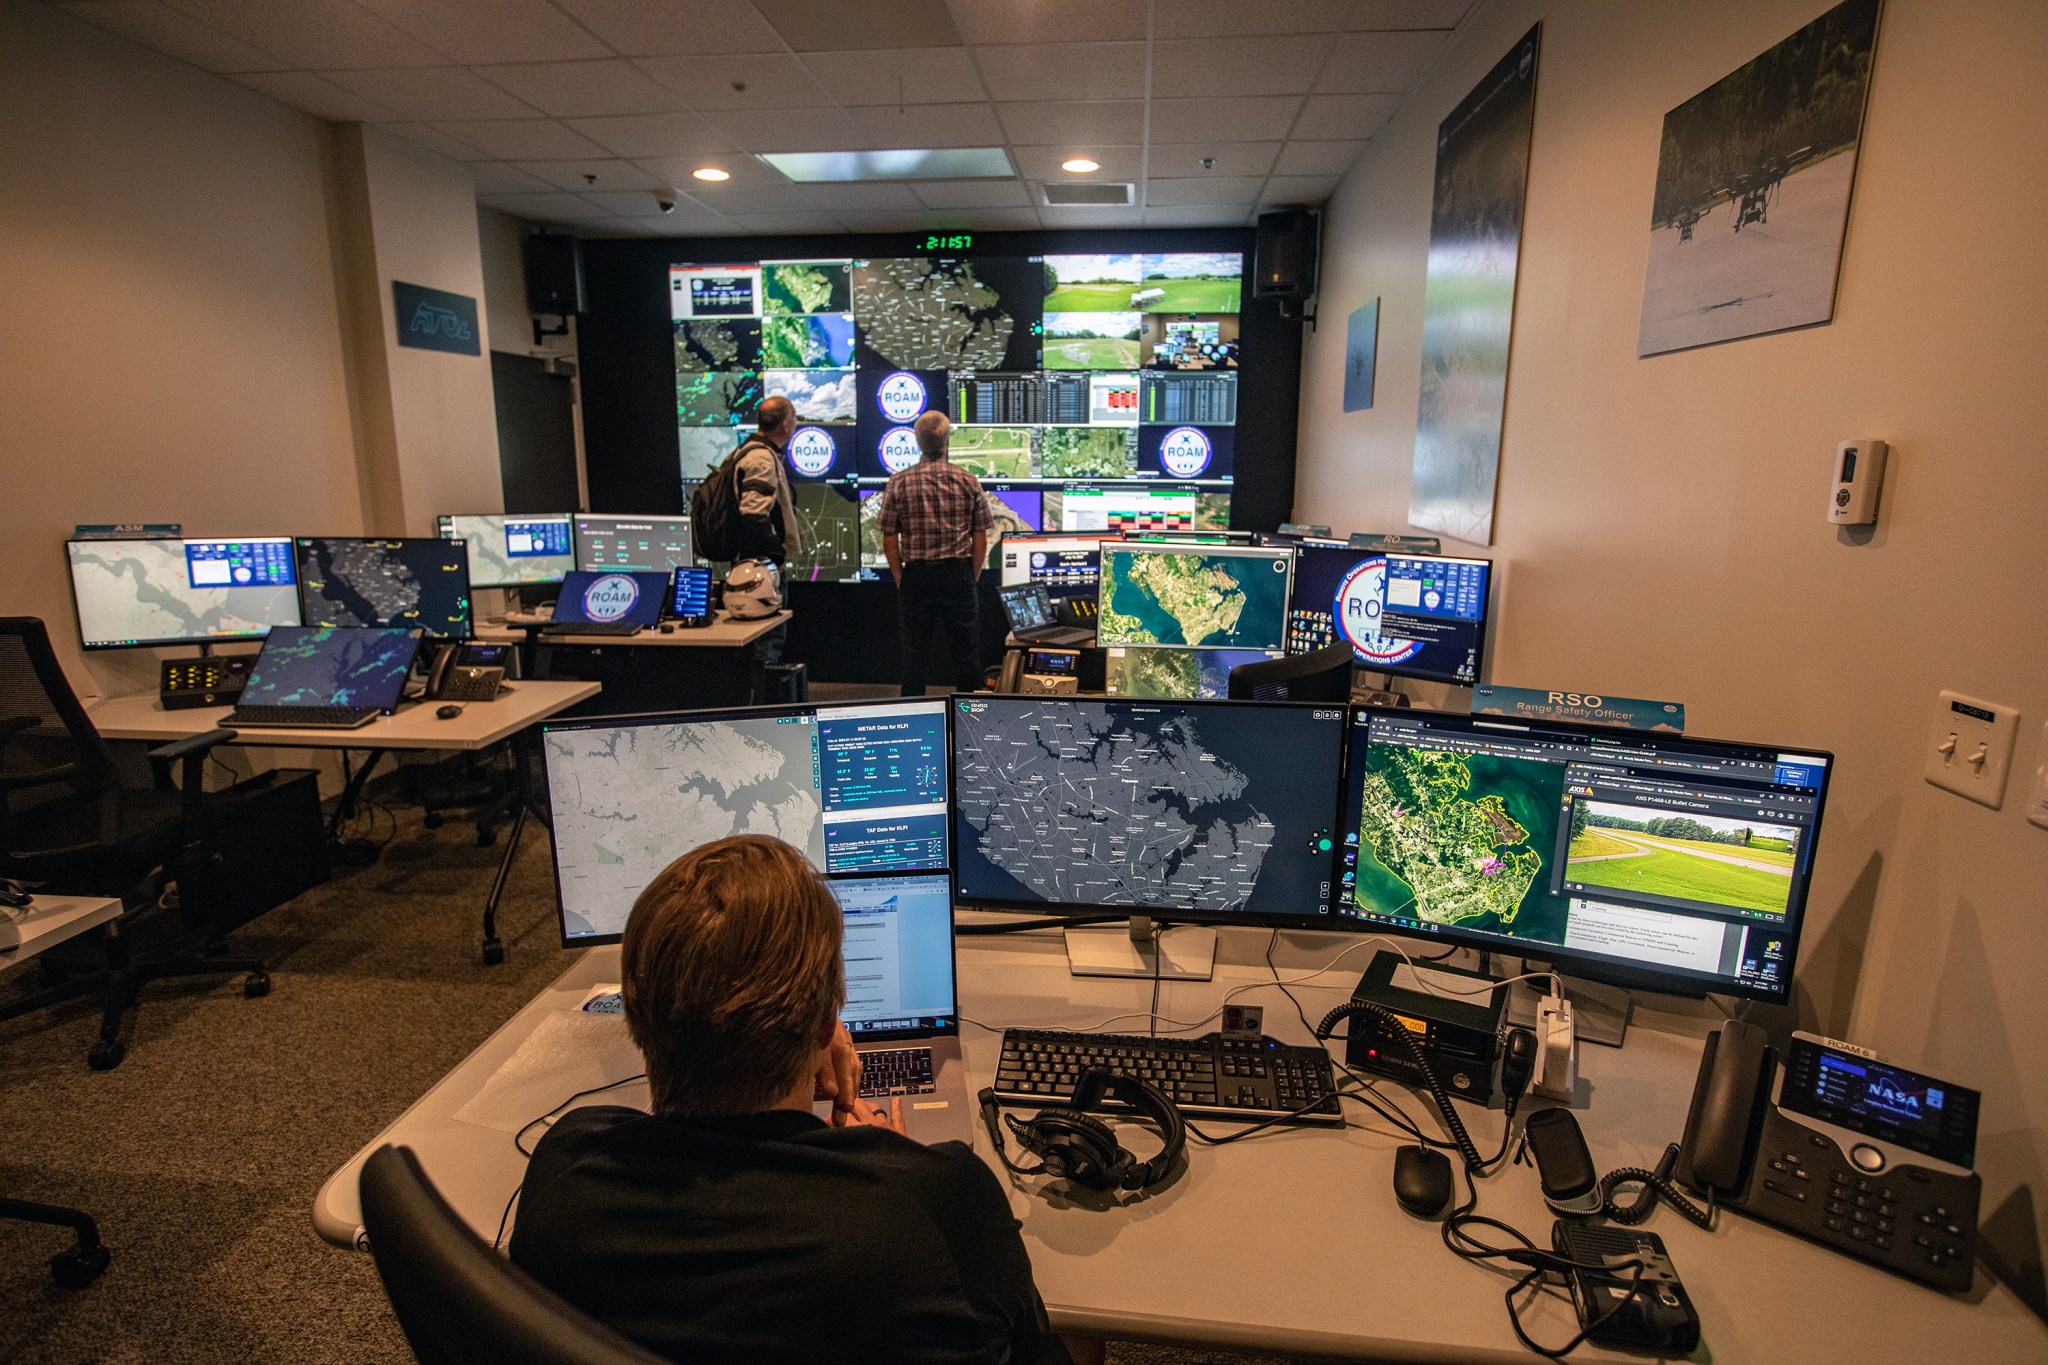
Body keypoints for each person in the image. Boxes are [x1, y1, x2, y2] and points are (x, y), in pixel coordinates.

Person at [508, 835, 1071, 1365]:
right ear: (830, 1026)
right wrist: (890, 1168)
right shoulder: (940, 1204)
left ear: (634, 1015)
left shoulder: (566, 1169)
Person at [878, 410, 992, 695]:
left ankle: (913, 723)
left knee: (913, 659)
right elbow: (981, 535)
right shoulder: (967, 480)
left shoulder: (899, 482)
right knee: (966, 657)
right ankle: (971, 725)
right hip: (958, 575)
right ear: (947, 440)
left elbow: (889, 537)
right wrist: (971, 575)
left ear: (917, 441)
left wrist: (900, 578)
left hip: (917, 578)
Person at [733, 395, 801, 568]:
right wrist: (774, 559)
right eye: (794, 417)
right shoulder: (761, 459)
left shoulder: (749, 449)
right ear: (786, 425)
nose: (796, 422)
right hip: (758, 565)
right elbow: (753, 515)